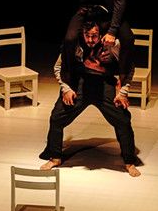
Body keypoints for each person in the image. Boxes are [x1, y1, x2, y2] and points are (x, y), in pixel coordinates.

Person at [39, 20, 140, 177]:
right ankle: (55, 157)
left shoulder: (111, 44)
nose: (91, 40)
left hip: (104, 84)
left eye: (94, 36)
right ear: (82, 34)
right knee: (57, 117)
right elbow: (58, 67)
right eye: (87, 36)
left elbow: (129, 67)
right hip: (80, 84)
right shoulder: (74, 45)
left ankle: (129, 161)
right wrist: (66, 88)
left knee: (123, 119)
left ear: (100, 34)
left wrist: (123, 92)